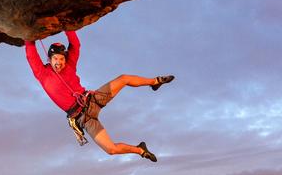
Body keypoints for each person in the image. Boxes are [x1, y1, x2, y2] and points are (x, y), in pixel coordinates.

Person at [24, 30, 174, 162]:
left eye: (62, 59)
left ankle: (155, 81)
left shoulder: (70, 65)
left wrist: (66, 26)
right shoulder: (41, 73)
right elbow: (30, 49)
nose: (59, 62)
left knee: (124, 79)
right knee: (110, 149)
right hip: (84, 118)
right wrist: (27, 32)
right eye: (56, 58)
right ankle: (141, 150)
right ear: (49, 58)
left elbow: (75, 44)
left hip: (92, 99)